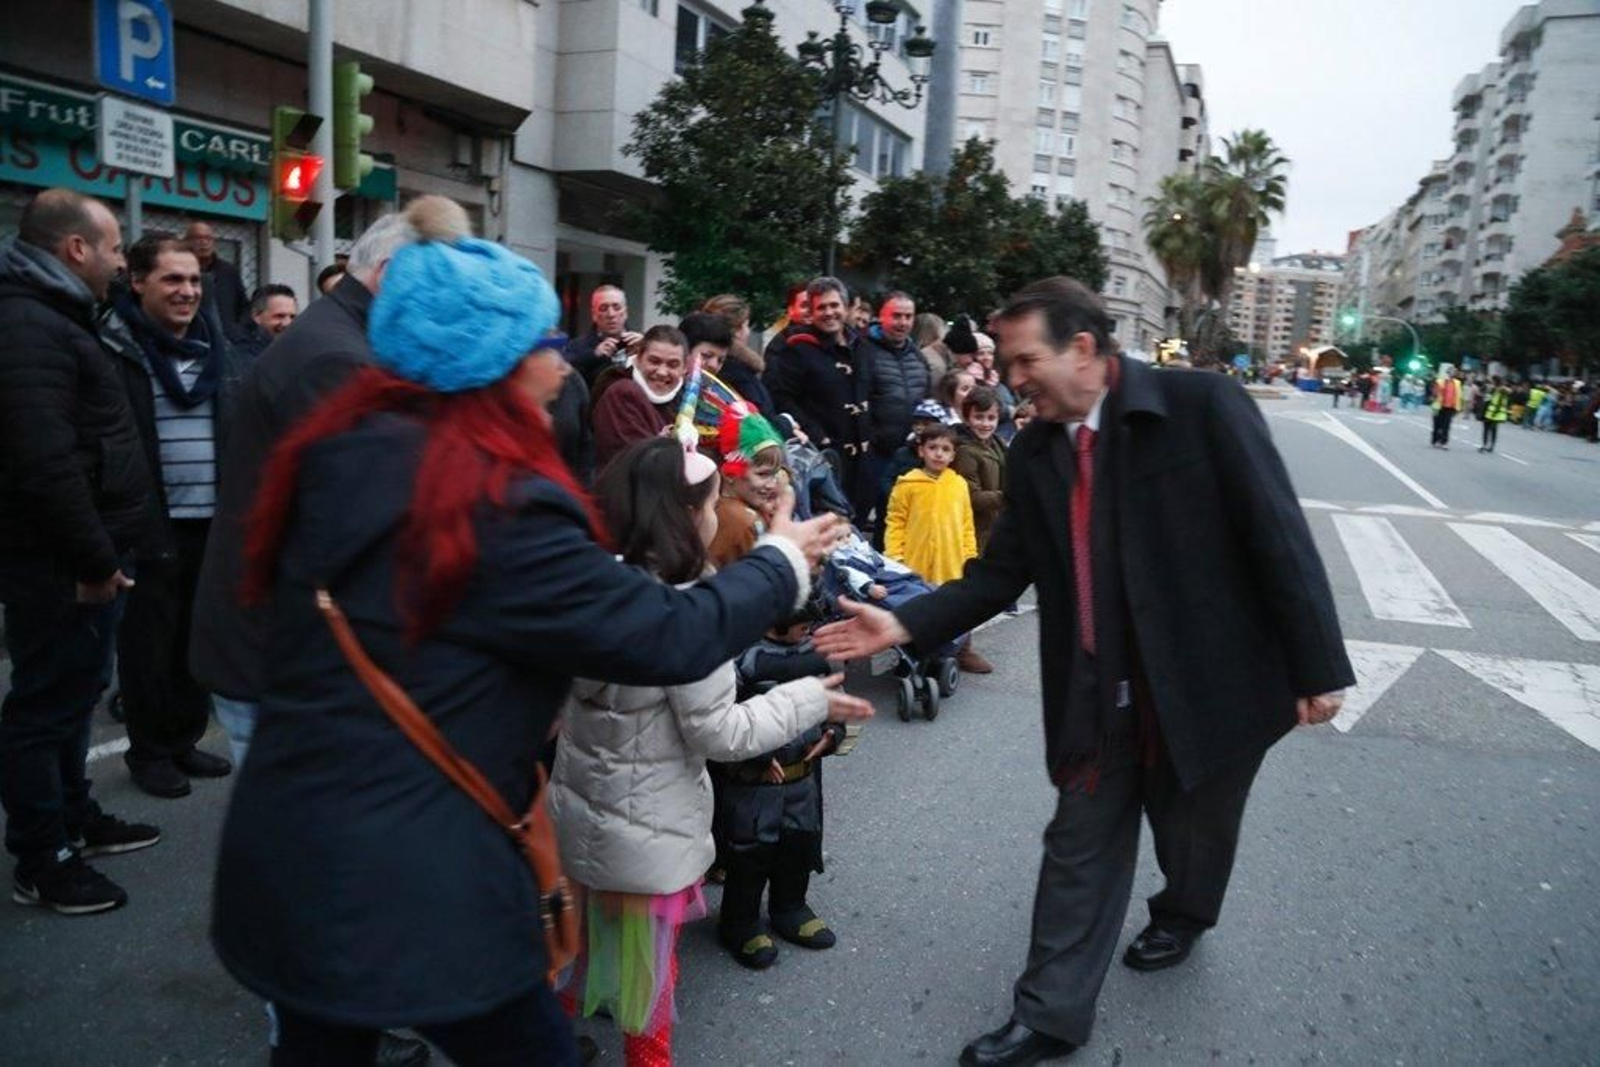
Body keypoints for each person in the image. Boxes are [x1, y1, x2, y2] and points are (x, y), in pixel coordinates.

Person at [210, 196, 846, 1063]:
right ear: (493, 366)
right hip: (420, 870)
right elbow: (659, 632)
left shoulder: (342, 447)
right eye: (538, 346)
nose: (558, 366)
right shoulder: (491, 495)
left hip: (297, 846)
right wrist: (781, 560)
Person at [815, 276, 1352, 1066]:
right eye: (1006, 360)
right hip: (1100, 693)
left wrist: (1318, 666)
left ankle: (1185, 910)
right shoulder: (1036, 449)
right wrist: (904, 619)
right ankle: (1049, 1015)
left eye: (1026, 359)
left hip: (1210, 683)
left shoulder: (1201, 407)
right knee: (1080, 844)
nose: (1013, 376)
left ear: (1086, 349)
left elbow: (1278, 535)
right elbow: (1001, 574)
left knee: (1192, 826)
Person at [551, 438, 872, 1065]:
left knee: (580, 950)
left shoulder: (595, 583)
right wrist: (807, 700)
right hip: (649, 833)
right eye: (709, 503)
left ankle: (553, 1043)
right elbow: (722, 733)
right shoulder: (684, 611)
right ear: (684, 515)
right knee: (650, 983)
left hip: (578, 819)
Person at [0, 189, 160, 916]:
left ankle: (75, 820)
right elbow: (46, 462)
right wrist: (95, 562)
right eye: (116, 249)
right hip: (60, 563)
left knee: (73, 700)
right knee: (44, 707)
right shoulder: (31, 323)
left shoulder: (62, 315)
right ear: (75, 249)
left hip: (86, 553)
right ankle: (43, 856)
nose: (122, 262)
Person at [109, 232, 241, 799]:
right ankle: (149, 753)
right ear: (137, 282)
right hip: (147, 526)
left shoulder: (220, 347)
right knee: (147, 649)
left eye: (194, 281)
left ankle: (184, 739)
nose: (187, 291)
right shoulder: (116, 350)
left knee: (196, 642)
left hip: (212, 524)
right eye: (172, 279)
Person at [768, 276, 874, 521]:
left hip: (863, 461)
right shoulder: (797, 349)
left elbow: (872, 393)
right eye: (821, 307)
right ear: (812, 312)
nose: (829, 313)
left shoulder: (861, 346)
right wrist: (819, 437)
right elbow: (783, 398)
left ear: (846, 308)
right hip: (822, 458)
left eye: (834, 305)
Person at [862, 291, 932, 534]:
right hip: (873, 453)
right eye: (897, 316)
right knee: (859, 517)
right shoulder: (863, 351)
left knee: (895, 524)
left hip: (908, 453)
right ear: (882, 317)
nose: (903, 322)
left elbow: (927, 401)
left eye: (908, 316)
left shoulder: (917, 357)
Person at [884, 424, 977, 588]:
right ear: (921, 451)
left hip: (951, 566)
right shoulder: (907, 484)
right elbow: (895, 522)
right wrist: (895, 556)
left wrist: (969, 558)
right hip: (914, 564)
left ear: (953, 455)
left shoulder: (959, 485)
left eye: (946, 449)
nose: (939, 454)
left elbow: (966, 525)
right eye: (932, 447)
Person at [591, 324, 689, 472]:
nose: (662, 372)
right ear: (638, 358)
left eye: (673, 365)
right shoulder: (621, 393)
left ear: (685, 368)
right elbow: (641, 464)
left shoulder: (690, 400)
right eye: (654, 361)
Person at [700, 293, 773, 415]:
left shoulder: (734, 367)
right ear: (737, 330)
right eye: (746, 326)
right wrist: (786, 422)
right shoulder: (737, 371)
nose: (748, 331)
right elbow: (759, 418)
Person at [565, 284, 642, 385]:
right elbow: (568, 381)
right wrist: (594, 356)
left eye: (617, 307)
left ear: (625, 312)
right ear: (594, 315)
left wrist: (647, 349)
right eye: (603, 308)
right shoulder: (577, 347)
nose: (611, 314)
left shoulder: (642, 342)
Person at [183, 220, 249, 336]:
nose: (204, 242)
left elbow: (244, 306)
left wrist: (237, 330)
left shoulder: (228, 271)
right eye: (198, 238)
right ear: (186, 242)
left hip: (228, 339)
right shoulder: (181, 269)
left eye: (208, 238)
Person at [234, 284, 298, 360]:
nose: (288, 323)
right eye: (279, 316)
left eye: (292, 317)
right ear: (257, 316)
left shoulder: (299, 350)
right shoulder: (239, 356)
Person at [1431, 367, 1463, 449]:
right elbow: (1434, 393)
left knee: (1446, 425)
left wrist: (1458, 408)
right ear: (1448, 373)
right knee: (1438, 425)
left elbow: (1459, 396)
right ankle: (1436, 441)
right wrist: (1434, 404)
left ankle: (1444, 442)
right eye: (1451, 372)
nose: (1453, 373)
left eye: (1454, 372)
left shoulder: (1457, 383)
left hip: (1451, 407)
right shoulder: (1440, 381)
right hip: (1439, 406)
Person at [1478, 376, 1510, 453]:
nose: (1491, 383)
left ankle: (1491, 446)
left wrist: (1500, 388)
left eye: (1492, 381)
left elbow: (1509, 391)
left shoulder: (1503, 390)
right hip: (1489, 412)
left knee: (1493, 430)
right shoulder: (1491, 389)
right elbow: (1484, 395)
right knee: (1487, 429)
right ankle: (1485, 445)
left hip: (1496, 414)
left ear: (1495, 382)